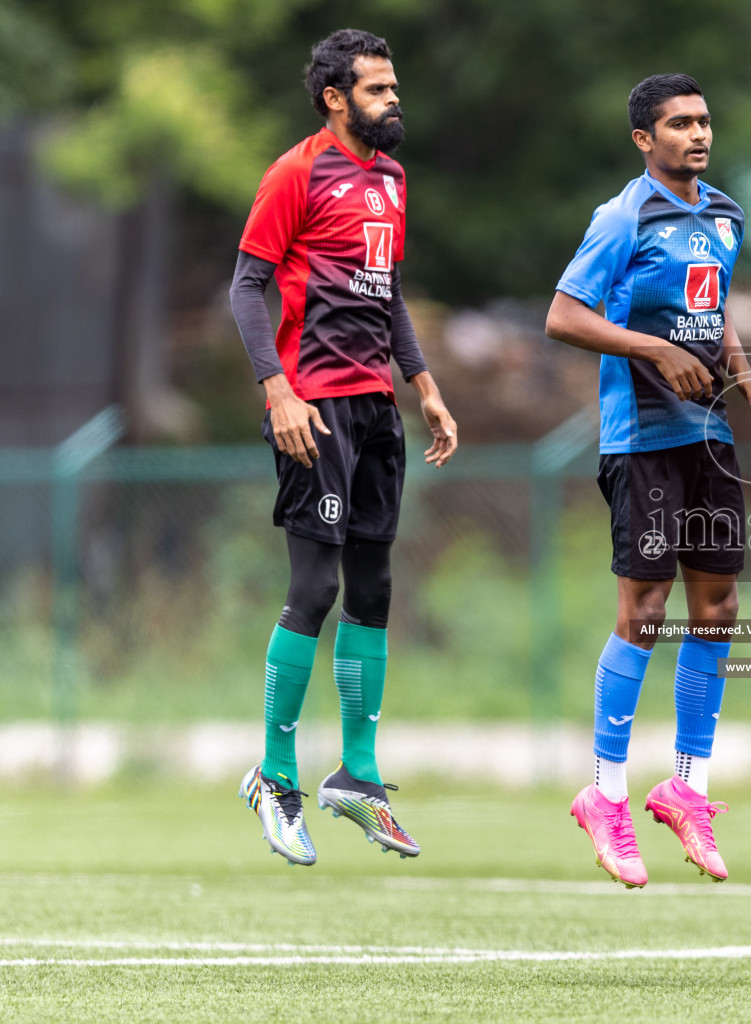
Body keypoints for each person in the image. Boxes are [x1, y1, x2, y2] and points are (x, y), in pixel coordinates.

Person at [545, 73, 751, 888]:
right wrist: (653, 351)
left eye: (704, 120)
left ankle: (687, 787)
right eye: (679, 123)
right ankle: (605, 796)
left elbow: (712, 309)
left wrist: (743, 373)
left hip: (708, 435)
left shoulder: (724, 214)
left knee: (718, 609)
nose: (698, 133)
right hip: (641, 440)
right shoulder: (623, 218)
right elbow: (564, 316)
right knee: (644, 611)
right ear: (645, 140)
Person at [228, 28, 458, 865]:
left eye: (395, 86)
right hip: (311, 406)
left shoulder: (392, 177)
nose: (394, 99)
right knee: (315, 586)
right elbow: (247, 284)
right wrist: (276, 389)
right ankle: (275, 775)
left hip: (374, 409)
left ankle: (356, 777)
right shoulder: (296, 172)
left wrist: (423, 383)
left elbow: (387, 288)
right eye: (377, 89)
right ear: (335, 98)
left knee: (375, 585)